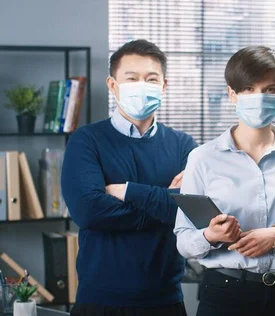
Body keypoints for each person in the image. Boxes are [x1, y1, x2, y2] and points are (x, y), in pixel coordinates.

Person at [173, 46, 275, 316]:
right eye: (248, 88)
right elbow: (184, 241)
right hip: (224, 294)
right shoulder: (202, 158)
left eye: (269, 89)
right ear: (231, 94)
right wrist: (211, 236)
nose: (259, 97)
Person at [62, 39, 196, 316]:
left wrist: (128, 192)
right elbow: (89, 212)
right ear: (113, 85)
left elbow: (192, 210)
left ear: (164, 85)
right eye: (132, 78)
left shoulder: (184, 145)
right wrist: (164, 202)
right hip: (99, 299)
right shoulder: (87, 140)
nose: (142, 85)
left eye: (151, 79)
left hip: (165, 299)